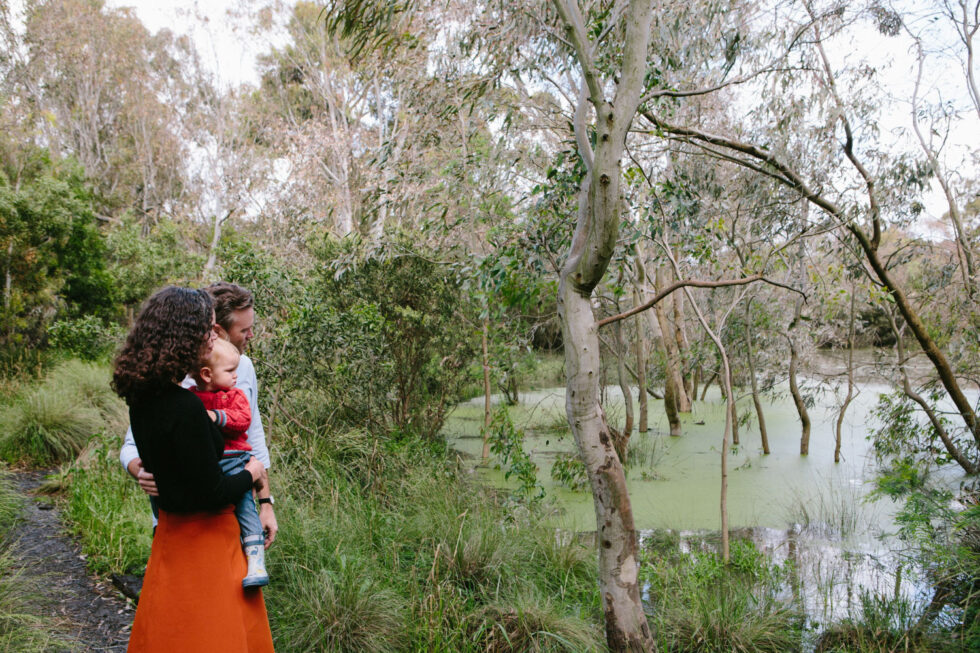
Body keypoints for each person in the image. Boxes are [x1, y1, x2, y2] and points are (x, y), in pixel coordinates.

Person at [112, 286, 274, 652]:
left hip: (171, 537)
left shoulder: (142, 397)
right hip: (207, 544)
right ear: (185, 337)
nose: (211, 336)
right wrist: (252, 474)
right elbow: (210, 492)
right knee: (213, 635)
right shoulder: (185, 406)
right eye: (206, 330)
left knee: (172, 632)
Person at [120, 282, 278, 549]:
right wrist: (140, 469)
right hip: (195, 523)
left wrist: (265, 502)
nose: (251, 335)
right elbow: (136, 445)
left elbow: (253, 434)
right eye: (244, 329)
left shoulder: (243, 368)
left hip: (223, 511)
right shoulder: (179, 396)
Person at [191, 338, 269, 588]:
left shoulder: (234, 396)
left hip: (237, 461)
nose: (236, 376)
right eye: (229, 371)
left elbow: (243, 420)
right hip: (209, 465)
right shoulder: (191, 399)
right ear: (206, 374)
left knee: (246, 508)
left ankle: (256, 561)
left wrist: (215, 416)